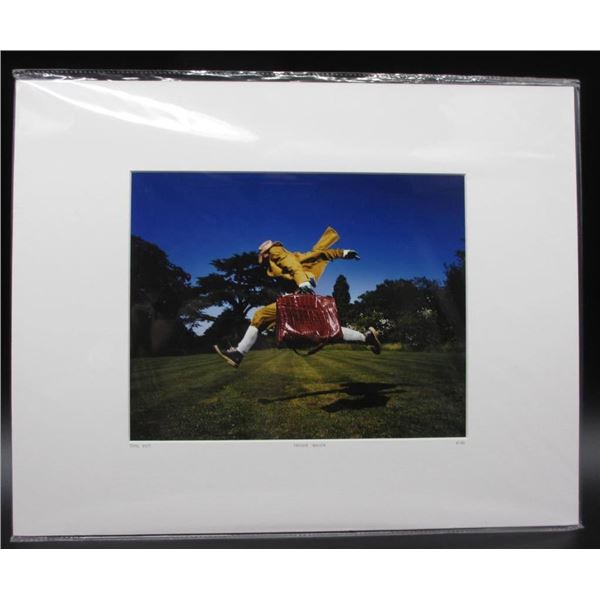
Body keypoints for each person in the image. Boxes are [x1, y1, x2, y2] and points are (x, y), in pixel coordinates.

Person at [214, 226, 381, 368]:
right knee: (326, 328)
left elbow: (292, 265)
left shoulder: (275, 251)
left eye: (261, 255)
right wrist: (343, 253)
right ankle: (366, 338)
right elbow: (317, 254)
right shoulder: (293, 255)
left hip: (299, 293)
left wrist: (302, 281)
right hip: (300, 293)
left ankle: (238, 353)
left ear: (264, 253)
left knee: (260, 316)